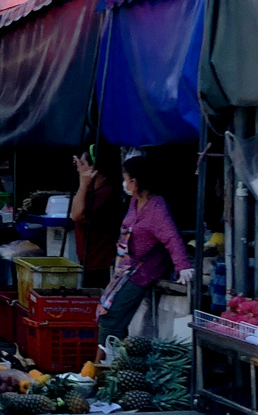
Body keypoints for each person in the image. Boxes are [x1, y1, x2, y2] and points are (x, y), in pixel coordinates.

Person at [95, 154, 194, 361]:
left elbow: (171, 237)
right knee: (107, 312)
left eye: (126, 178)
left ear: (135, 181)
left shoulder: (156, 207)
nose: (124, 182)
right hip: (126, 267)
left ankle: (104, 368)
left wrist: (183, 266)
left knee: (112, 318)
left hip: (142, 271)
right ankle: (109, 366)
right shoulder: (135, 201)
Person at [71, 149, 122, 289]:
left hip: (100, 263)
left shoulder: (105, 193)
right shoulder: (92, 189)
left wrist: (82, 184)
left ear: (93, 168)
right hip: (89, 260)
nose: (78, 167)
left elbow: (77, 216)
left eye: (82, 163)